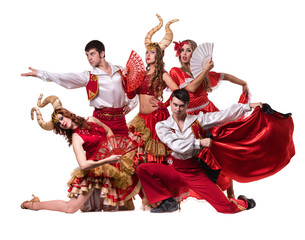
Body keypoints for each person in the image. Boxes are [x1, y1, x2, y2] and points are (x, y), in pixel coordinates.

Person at [136, 89, 261, 213]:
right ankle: (167, 202)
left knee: (226, 208)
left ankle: (245, 202)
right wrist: (198, 142)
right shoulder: (163, 125)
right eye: (174, 105)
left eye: (181, 106)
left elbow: (223, 115)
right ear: (170, 104)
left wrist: (248, 106)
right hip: (175, 170)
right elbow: (176, 145)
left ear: (187, 106)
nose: (177, 109)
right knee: (143, 169)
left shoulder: (198, 120)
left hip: (195, 172)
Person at [21, 94, 140, 213]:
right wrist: (108, 160)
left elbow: (108, 131)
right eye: (58, 124)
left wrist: (113, 147)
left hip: (113, 164)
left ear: (66, 114)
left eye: (61, 118)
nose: (62, 123)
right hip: (95, 169)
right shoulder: (76, 137)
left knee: (123, 207)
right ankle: (33, 204)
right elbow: (83, 165)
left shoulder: (91, 120)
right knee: (70, 208)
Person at [170, 39, 250, 198]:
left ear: (195, 54)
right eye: (182, 50)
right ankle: (189, 191)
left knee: (220, 149)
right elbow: (190, 88)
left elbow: (224, 76)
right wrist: (205, 70)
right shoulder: (176, 72)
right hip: (191, 117)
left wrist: (243, 83)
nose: (184, 53)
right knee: (193, 154)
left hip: (209, 112)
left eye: (188, 50)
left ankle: (231, 192)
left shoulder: (203, 74)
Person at [21, 40, 137, 136]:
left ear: (102, 53)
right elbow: (63, 77)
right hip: (101, 122)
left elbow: (134, 90)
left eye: (92, 54)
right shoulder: (89, 76)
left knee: (126, 154)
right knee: (104, 157)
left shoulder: (120, 70)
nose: (89, 58)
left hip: (120, 121)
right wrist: (40, 73)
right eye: (87, 55)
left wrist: (130, 105)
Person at [127, 14, 179, 164]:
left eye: (152, 52)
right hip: (141, 119)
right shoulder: (140, 74)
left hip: (156, 119)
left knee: (154, 156)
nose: (148, 55)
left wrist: (165, 104)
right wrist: (127, 77)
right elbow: (131, 95)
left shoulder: (163, 74)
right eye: (147, 52)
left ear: (159, 55)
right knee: (134, 154)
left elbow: (178, 92)